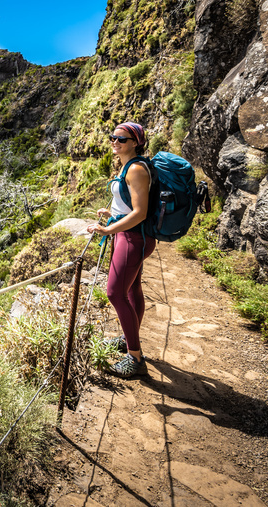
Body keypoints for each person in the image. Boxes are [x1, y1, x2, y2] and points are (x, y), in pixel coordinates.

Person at [86, 122, 156, 378]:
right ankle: (129, 340)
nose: (115, 142)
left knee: (115, 293)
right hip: (130, 236)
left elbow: (140, 212)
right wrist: (113, 213)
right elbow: (129, 205)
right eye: (112, 137)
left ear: (135, 142)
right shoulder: (131, 165)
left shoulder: (136, 169)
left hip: (132, 238)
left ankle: (135, 359)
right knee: (133, 289)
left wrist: (107, 230)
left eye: (122, 139)